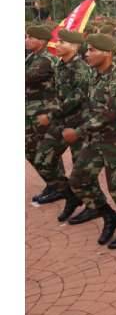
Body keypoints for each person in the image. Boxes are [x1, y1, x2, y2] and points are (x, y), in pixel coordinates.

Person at [62, 34, 116, 247]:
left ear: (107, 53)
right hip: (96, 139)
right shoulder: (96, 75)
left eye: (92, 50)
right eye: (87, 50)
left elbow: (111, 114)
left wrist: (78, 132)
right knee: (78, 179)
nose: (87, 53)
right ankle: (109, 215)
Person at [31, 30, 92, 219]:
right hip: (60, 121)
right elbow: (57, 93)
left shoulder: (81, 68)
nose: (57, 45)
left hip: (77, 123)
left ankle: (95, 206)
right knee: (43, 160)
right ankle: (70, 195)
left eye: (62, 42)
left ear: (74, 46)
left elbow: (79, 96)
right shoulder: (59, 65)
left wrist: (51, 113)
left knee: (80, 170)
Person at [26, 25, 61, 203]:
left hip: (42, 111)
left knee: (44, 151)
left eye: (30, 37)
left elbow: (26, 77)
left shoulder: (45, 59)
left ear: (40, 41)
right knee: (32, 150)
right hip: (31, 111)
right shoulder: (32, 57)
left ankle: (58, 185)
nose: (26, 40)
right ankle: (53, 183)